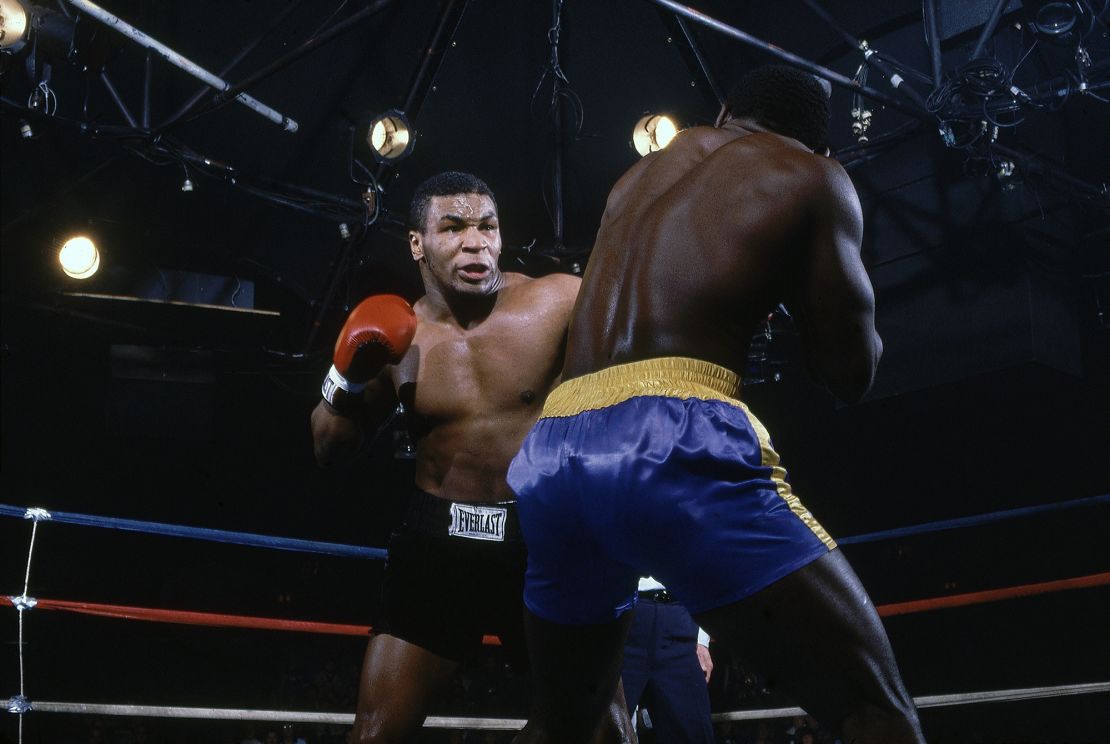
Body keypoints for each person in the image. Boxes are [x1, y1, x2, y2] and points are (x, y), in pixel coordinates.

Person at [507, 66, 926, 743]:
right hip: (671, 438)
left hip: (555, 448)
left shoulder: (639, 176)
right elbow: (850, 371)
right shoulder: (811, 176)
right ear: (819, 146)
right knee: (872, 709)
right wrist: (798, 275)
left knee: (565, 726)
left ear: (726, 111)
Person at [310, 171, 632, 743]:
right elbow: (330, 449)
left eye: (487, 226)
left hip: (544, 541)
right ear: (418, 244)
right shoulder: (397, 340)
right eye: (453, 227)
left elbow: (643, 364)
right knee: (376, 734)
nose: (474, 241)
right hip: (436, 550)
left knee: (605, 730)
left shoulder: (558, 301)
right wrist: (345, 377)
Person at [622, 577, 715, 744]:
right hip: (622, 614)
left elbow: (707, 565)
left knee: (693, 731)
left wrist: (702, 639)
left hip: (680, 617)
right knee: (602, 727)